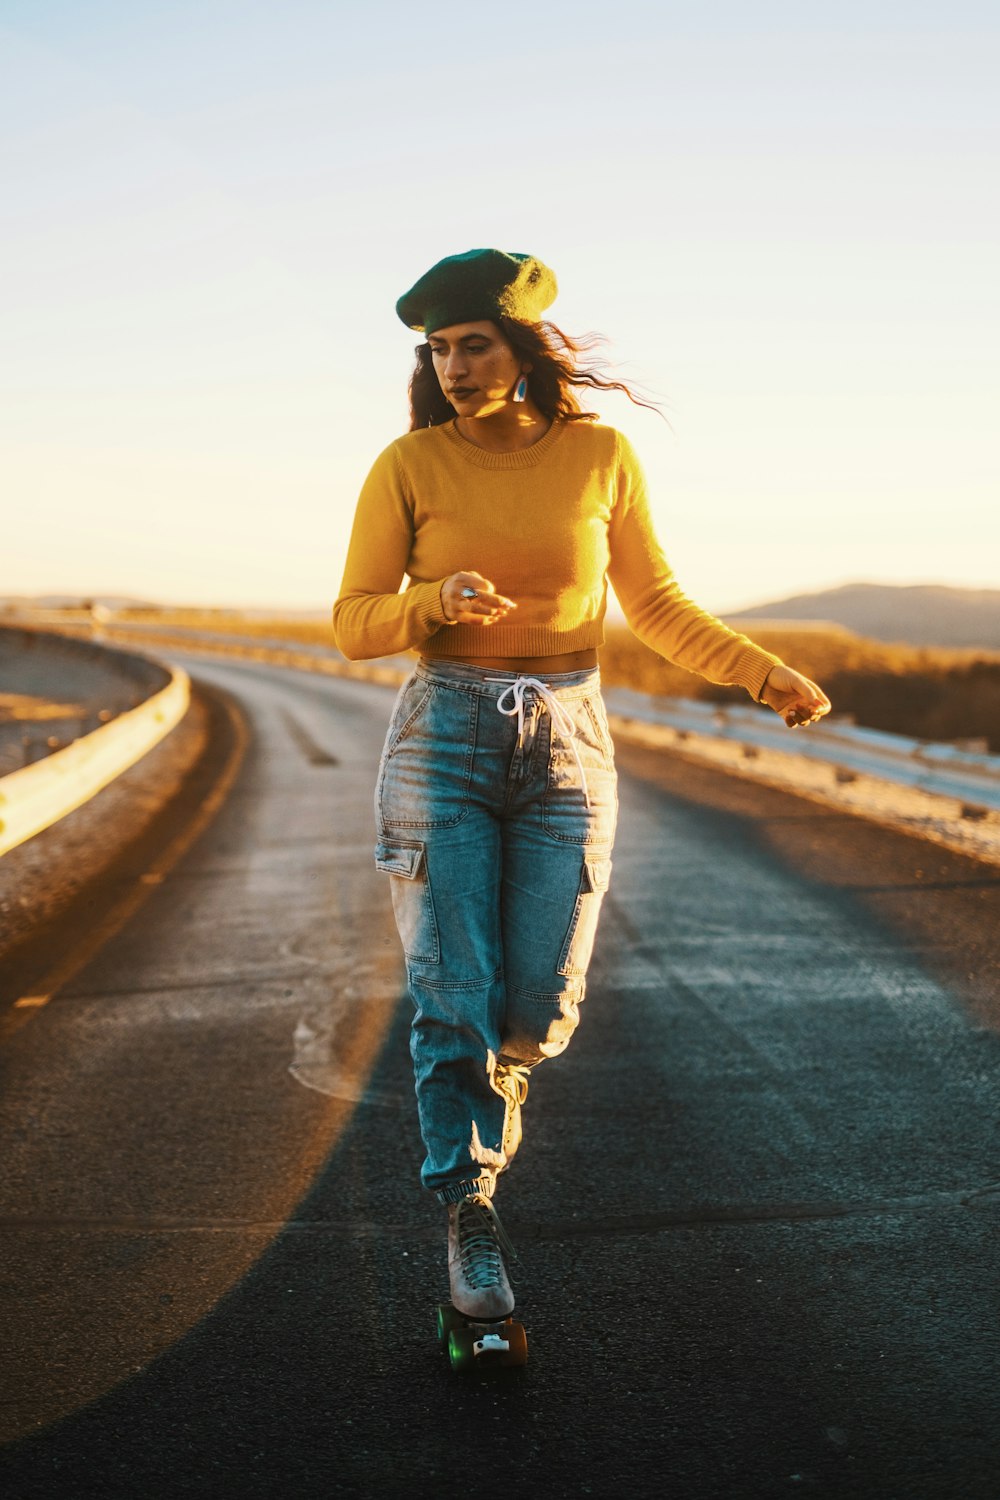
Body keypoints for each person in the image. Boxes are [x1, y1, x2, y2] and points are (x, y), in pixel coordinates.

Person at [332, 248, 831, 1323]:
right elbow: (351, 622)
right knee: (451, 994)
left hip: (569, 736)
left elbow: (652, 603)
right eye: (438, 348)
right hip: (445, 734)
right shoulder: (409, 464)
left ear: (521, 346)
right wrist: (428, 601)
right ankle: (468, 1203)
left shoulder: (599, 454)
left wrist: (760, 671)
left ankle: (490, 1104)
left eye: (474, 343)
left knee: (539, 1006)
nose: (454, 365)